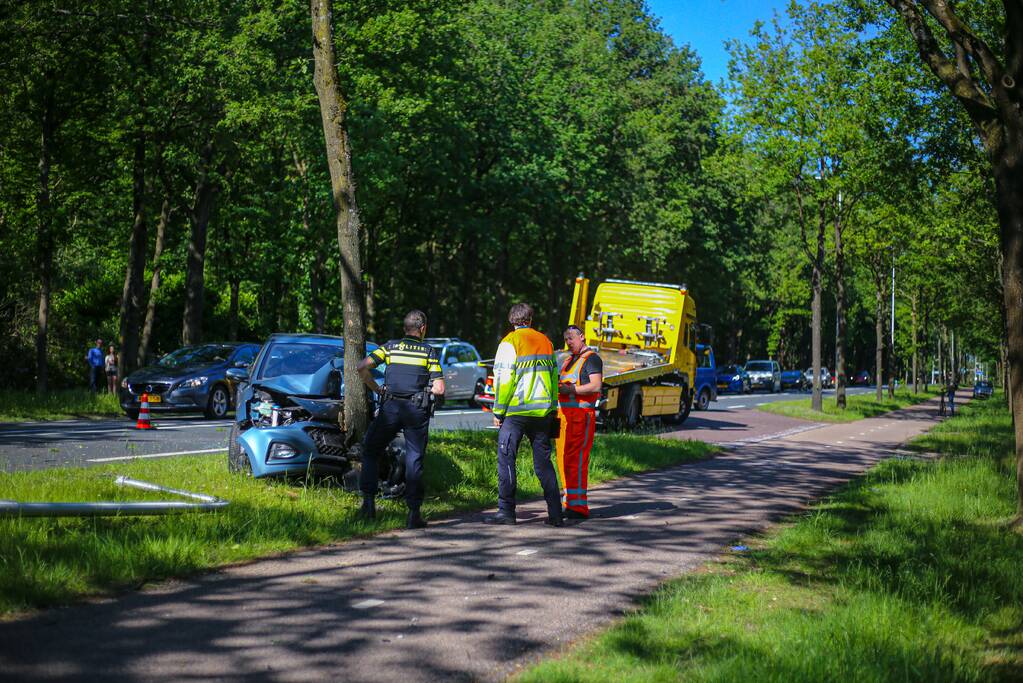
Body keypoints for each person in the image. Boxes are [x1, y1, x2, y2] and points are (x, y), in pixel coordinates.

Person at [357, 310, 445, 529]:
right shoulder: (428, 352)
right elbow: (440, 388)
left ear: (405, 328)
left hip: (390, 408)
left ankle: (368, 504)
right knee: (414, 458)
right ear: (422, 329)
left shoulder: (390, 347)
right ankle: (413, 513)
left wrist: (377, 388)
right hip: (416, 410)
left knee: (370, 449)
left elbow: (361, 367)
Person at [485, 303, 563, 527]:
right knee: (543, 464)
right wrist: (553, 408)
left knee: (507, 459)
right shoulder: (546, 342)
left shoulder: (510, 342)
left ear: (512, 321)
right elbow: (553, 377)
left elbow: (504, 379)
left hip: (516, 412)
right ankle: (556, 514)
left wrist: (498, 411)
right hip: (543, 413)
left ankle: (507, 512)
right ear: (530, 320)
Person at [556, 325, 602, 520]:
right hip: (565, 418)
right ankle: (570, 503)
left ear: (582, 336)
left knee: (577, 461)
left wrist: (572, 390)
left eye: (572, 338)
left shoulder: (591, 358)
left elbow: (596, 385)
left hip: (581, 418)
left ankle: (579, 507)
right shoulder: (568, 360)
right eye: (566, 338)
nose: (568, 342)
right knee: (564, 460)